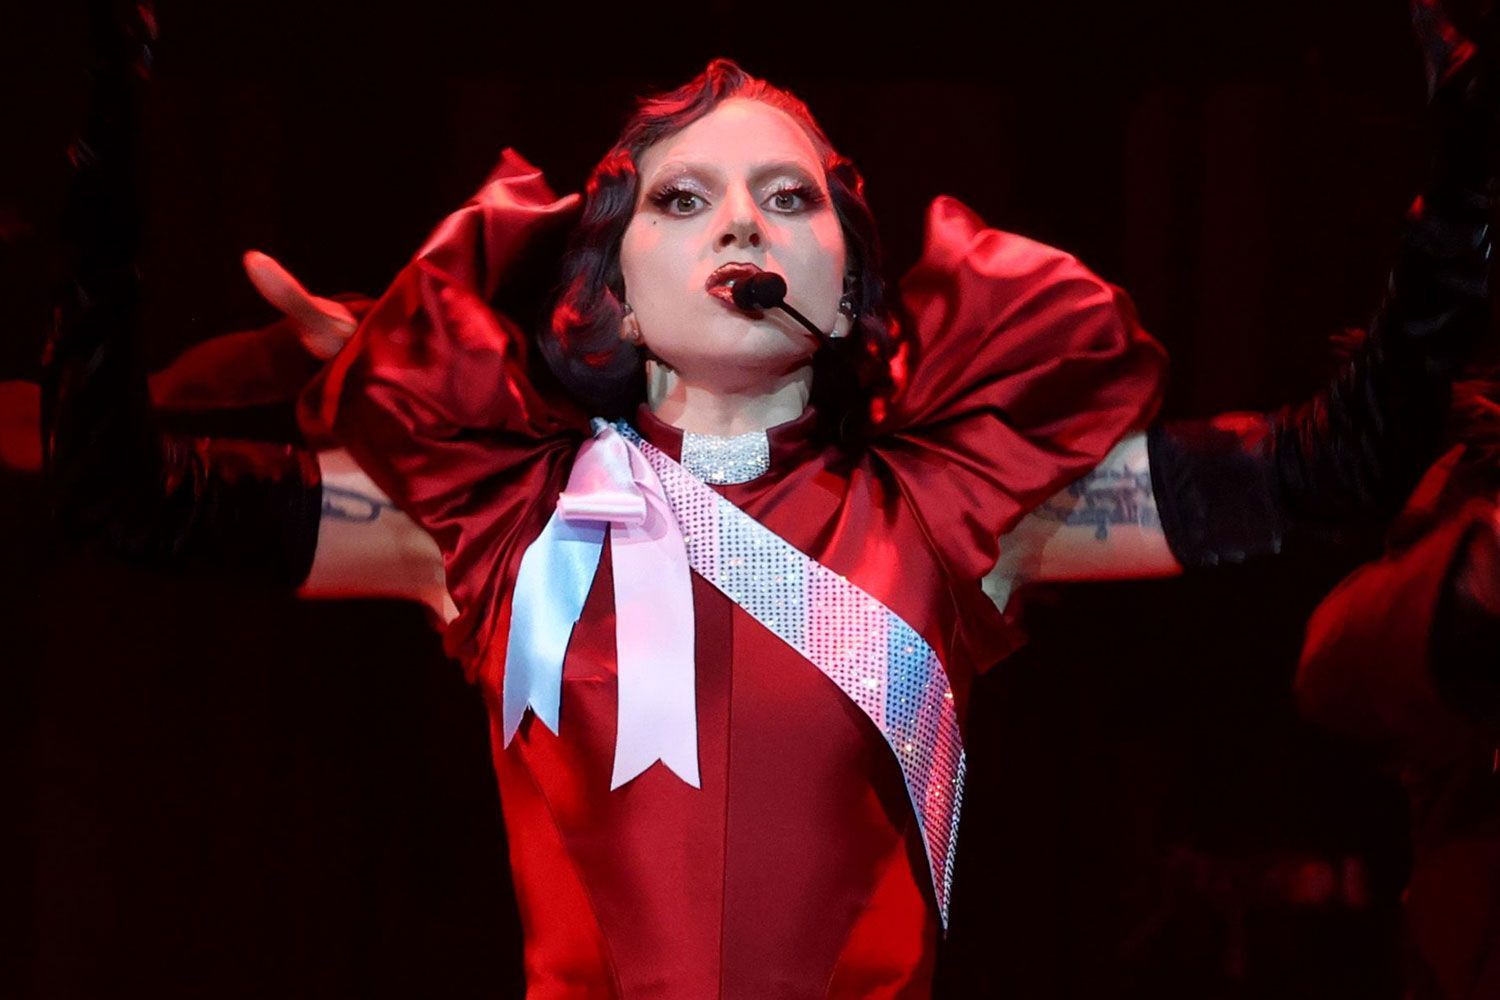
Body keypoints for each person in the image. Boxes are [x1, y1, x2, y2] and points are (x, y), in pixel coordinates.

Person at [43, 4, 1498, 996]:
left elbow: (1330, 468)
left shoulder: (956, 512)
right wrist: (93, 212)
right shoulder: (495, 523)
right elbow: (129, 498)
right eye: (684, 199)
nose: (743, 218)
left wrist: (1462, 210)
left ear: (848, 280)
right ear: (610, 288)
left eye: (788, 198)